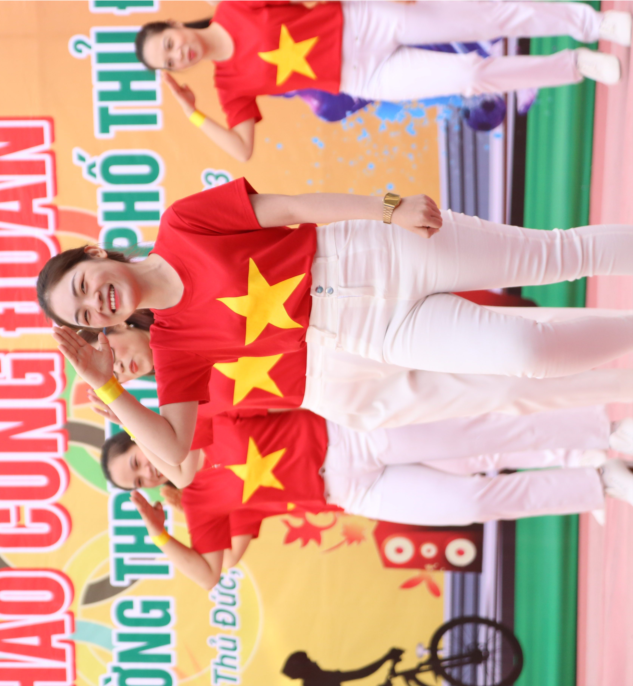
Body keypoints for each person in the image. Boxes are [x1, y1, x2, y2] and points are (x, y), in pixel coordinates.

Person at [39, 179, 633, 466]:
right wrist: (108, 387)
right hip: (368, 333)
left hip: (370, 252)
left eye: (84, 286)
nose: (97, 304)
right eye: (84, 316)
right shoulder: (174, 346)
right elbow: (172, 452)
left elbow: (291, 206)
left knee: (555, 255)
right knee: (528, 356)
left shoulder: (182, 224)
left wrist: (389, 208)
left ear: (95, 253)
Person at [103, 409, 633, 590]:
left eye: (136, 461)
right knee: (472, 504)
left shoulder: (195, 419)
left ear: (138, 437)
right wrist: (158, 531)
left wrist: (120, 401)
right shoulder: (199, 506)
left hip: (349, 436)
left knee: (481, 435)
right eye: (137, 481)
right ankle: (601, 481)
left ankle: (606, 430)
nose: (147, 473)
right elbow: (210, 574)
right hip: (348, 492)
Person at [136, 0, 631, 161]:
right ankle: (575, 65)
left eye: (170, 44)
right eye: (170, 62)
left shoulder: (232, 7)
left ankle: (593, 24)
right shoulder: (228, 84)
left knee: (487, 17)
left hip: (365, 20)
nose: (179, 54)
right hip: (362, 76)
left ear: (175, 24)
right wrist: (191, 112)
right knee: (470, 75)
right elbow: (242, 150)